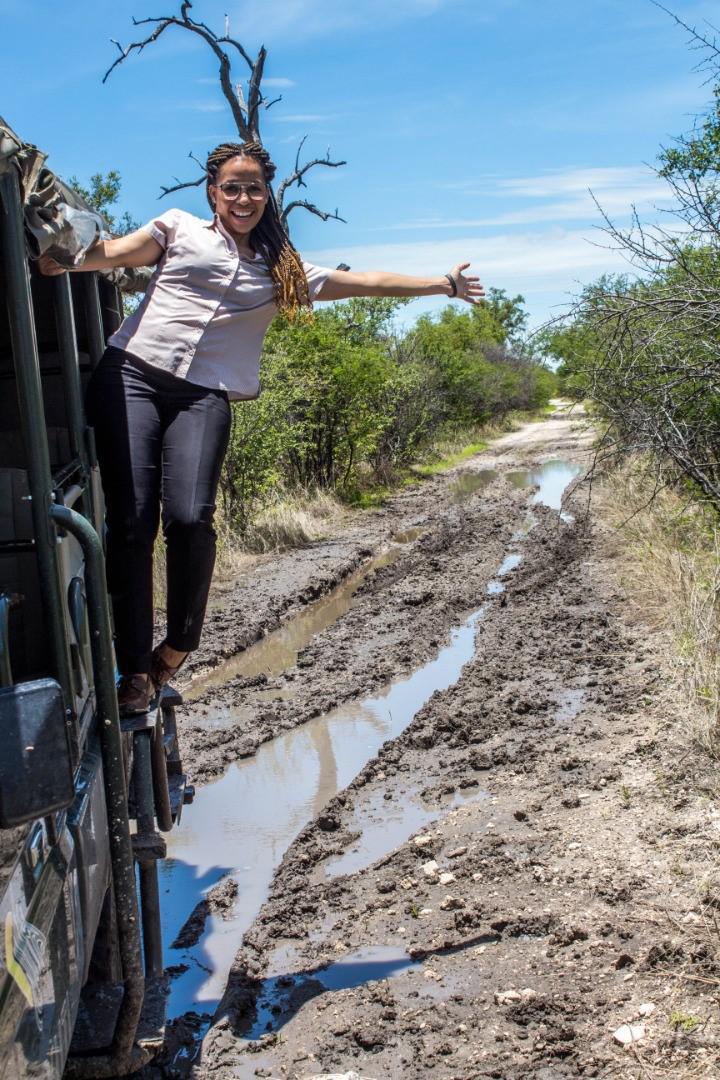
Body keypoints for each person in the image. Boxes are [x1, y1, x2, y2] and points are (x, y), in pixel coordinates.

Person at [39, 140, 485, 715]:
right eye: (232, 187)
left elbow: (367, 281)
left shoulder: (283, 271)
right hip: (132, 378)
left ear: (267, 193)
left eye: (253, 187)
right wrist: (71, 259)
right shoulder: (178, 229)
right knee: (131, 523)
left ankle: (176, 647)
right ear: (213, 192)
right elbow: (118, 252)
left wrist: (441, 284)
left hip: (204, 393)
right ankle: (134, 672)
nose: (243, 197)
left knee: (191, 517)